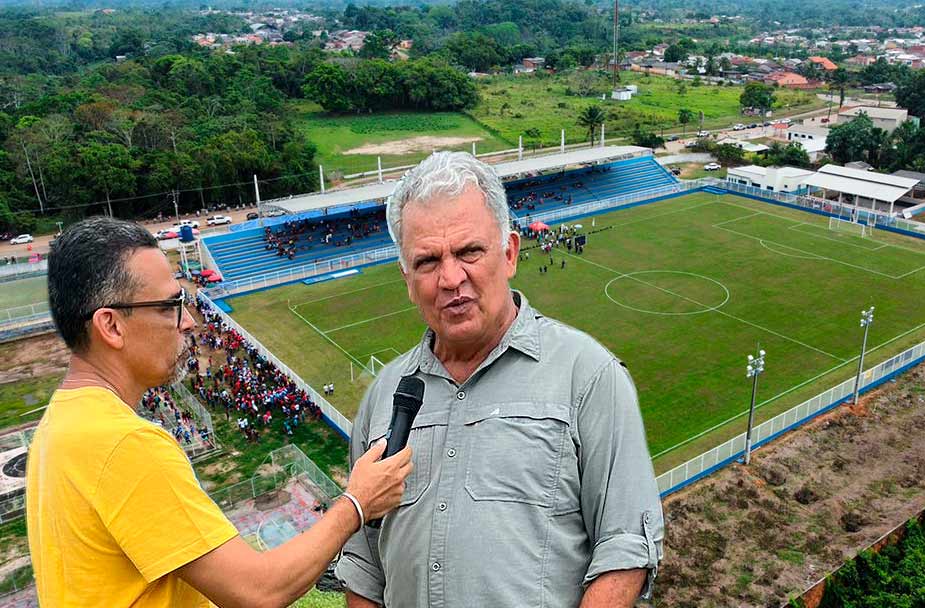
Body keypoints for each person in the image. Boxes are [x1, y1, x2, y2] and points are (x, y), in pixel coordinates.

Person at [27, 216, 414, 608]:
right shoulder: (124, 444)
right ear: (110, 325)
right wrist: (358, 502)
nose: (189, 321)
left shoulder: (60, 426)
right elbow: (258, 591)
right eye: (170, 306)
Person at [336, 152, 663, 608]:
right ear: (407, 279)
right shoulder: (383, 398)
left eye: (469, 251)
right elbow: (365, 571)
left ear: (509, 253)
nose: (451, 278)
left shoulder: (588, 375)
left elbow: (626, 546)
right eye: (428, 261)